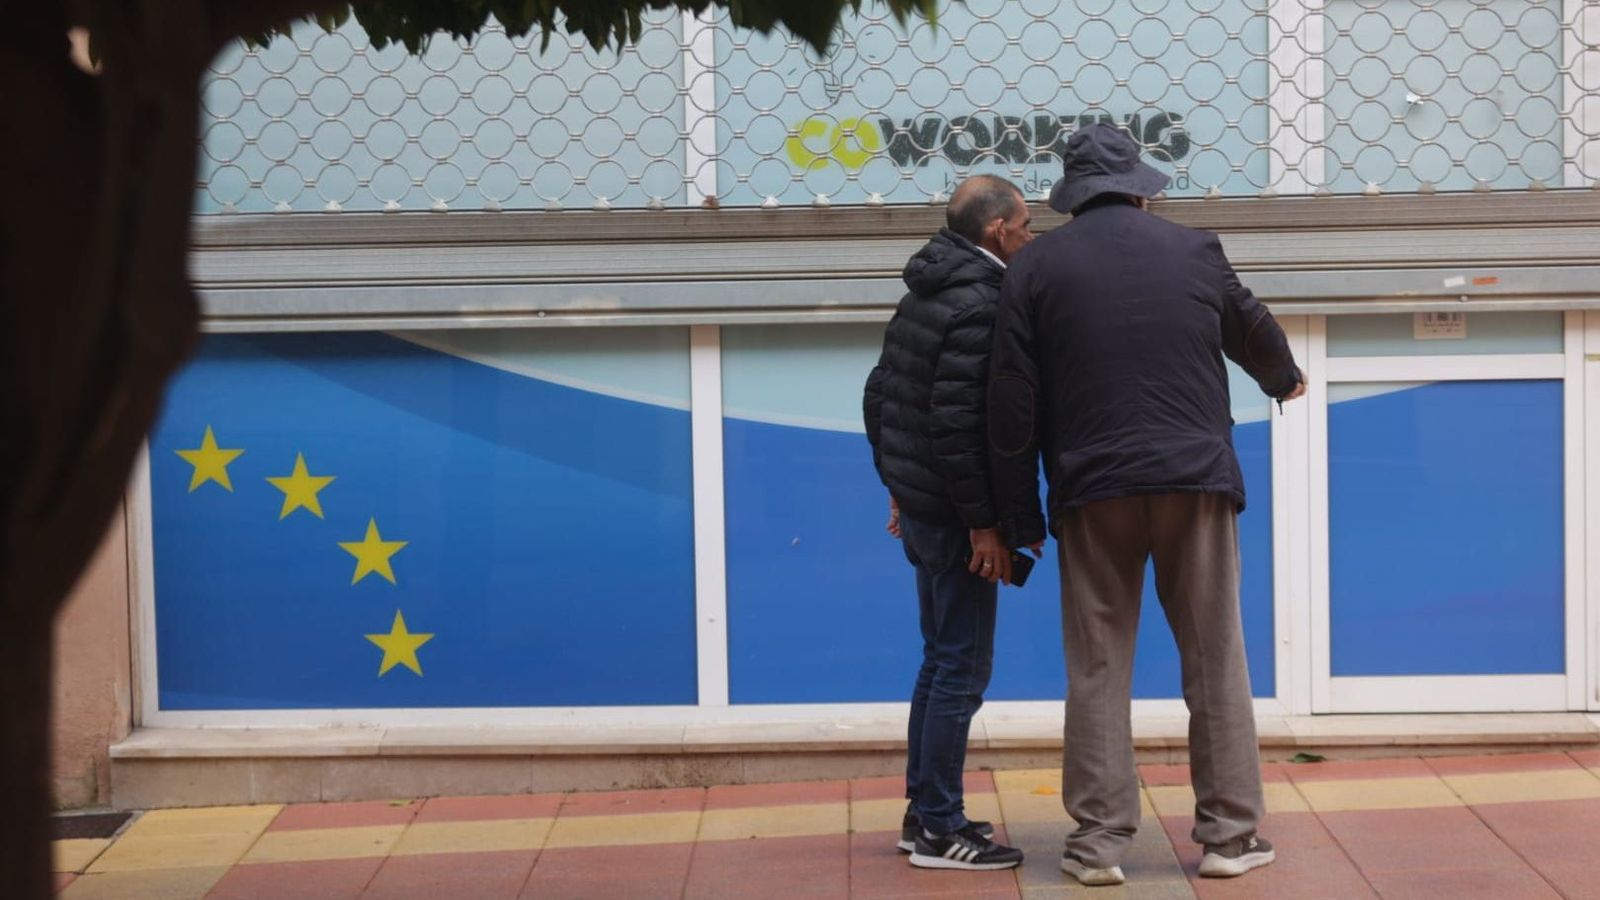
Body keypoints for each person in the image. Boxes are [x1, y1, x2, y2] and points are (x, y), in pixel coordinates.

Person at [987, 123, 1306, 886]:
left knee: (1097, 667)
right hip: (1193, 479)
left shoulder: (1033, 268)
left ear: (1071, 197)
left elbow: (1010, 403)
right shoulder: (1193, 249)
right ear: (1139, 185)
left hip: (1091, 487)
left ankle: (1098, 846)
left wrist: (1018, 518)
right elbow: (1252, 328)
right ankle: (1229, 838)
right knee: (1215, 657)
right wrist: (1283, 379)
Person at [863, 174, 1035, 871]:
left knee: (941, 661)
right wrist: (985, 526)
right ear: (998, 231)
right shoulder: (980, 303)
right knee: (962, 667)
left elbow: (882, 394)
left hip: (926, 507)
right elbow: (962, 426)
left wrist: (899, 486)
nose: (1031, 238)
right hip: (957, 518)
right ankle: (939, 827)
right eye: (1026, 226)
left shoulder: (924, 291)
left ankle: (922, 811)